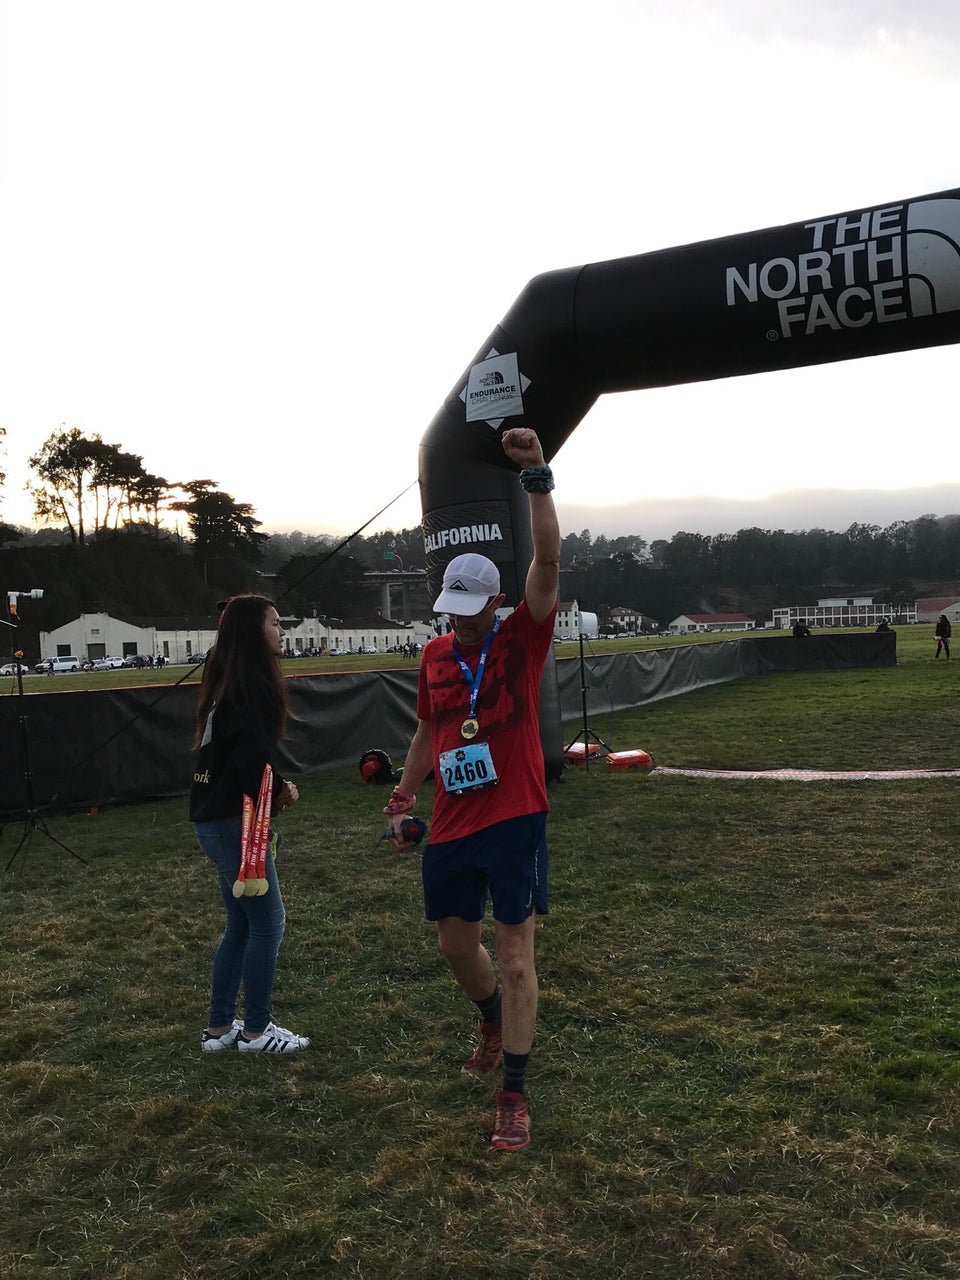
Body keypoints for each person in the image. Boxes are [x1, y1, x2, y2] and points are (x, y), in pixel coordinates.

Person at [383, 426, 559, 1152]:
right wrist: (401, 798)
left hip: (514, 816)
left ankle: (513, 1095)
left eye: (470, 605)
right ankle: (490, 1018)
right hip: (453, 823)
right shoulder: (433, 654)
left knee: (516, 954)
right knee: (457, 947)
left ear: (494, 600)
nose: (459, 617)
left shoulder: (523, 635)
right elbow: (429, 732)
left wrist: (539, 477)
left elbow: (547, 558)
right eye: (451, 605)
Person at [190, 593, 308, 1054]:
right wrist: (281, 788)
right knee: (268, 924)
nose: (281, 631)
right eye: (275, 623)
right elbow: (251, 762)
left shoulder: (225, 682)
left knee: (240, 924)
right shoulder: (253, 687)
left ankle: (220, 1029)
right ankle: (258, 1031)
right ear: (251, 632)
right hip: (234, 824)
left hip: (212, 820)